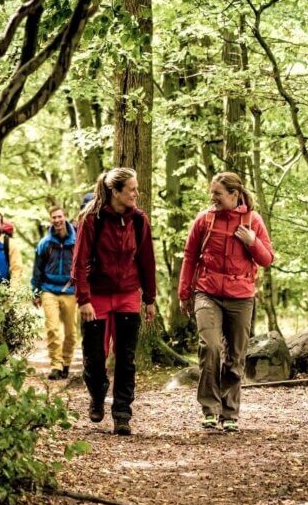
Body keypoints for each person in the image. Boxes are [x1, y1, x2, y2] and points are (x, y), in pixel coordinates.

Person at [178, 172, 274, 433]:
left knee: (235, 356)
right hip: (207, 292)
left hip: (241, 297)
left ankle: (229, 411)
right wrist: (184, 293)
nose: (213, 198)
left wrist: (252, 242)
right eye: (212, 193)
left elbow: (267, 260)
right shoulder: (205, 219)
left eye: (218, 193)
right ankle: (210, 408)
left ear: (234, 195)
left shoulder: (252, 221)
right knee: (210, 347)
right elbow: (189, 256)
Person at [71, 168, 157, 436]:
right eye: (131, 189)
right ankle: (97, 395)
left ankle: (122, 413)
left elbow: (147, 261)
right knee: (95, 357)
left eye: (137, 189)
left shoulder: (139, 220)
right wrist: (83, 299)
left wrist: (150, 298)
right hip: (96, 296)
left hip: (129, 294)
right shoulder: (91, 220)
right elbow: (79, 262)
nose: (136, 194)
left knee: (126, 358)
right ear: (115, 192)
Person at [31, 206, 78, 381]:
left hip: (70, 290)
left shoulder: (76, 242)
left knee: (71, 331)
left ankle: (66, 362)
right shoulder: (45, 244)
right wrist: (35, 292)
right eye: (53, 218)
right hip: (49, 289)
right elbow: (37, 270)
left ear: (64, 217)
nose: (57, 220)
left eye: (59, 217)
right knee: (52, 328)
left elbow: (83, 266)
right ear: (50, 220)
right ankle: (56, 365)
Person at [0, 211, 23, 286]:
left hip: (4, 290)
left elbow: (16, 269)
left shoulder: (10, 243)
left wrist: (13, 292)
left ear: (1, 225)